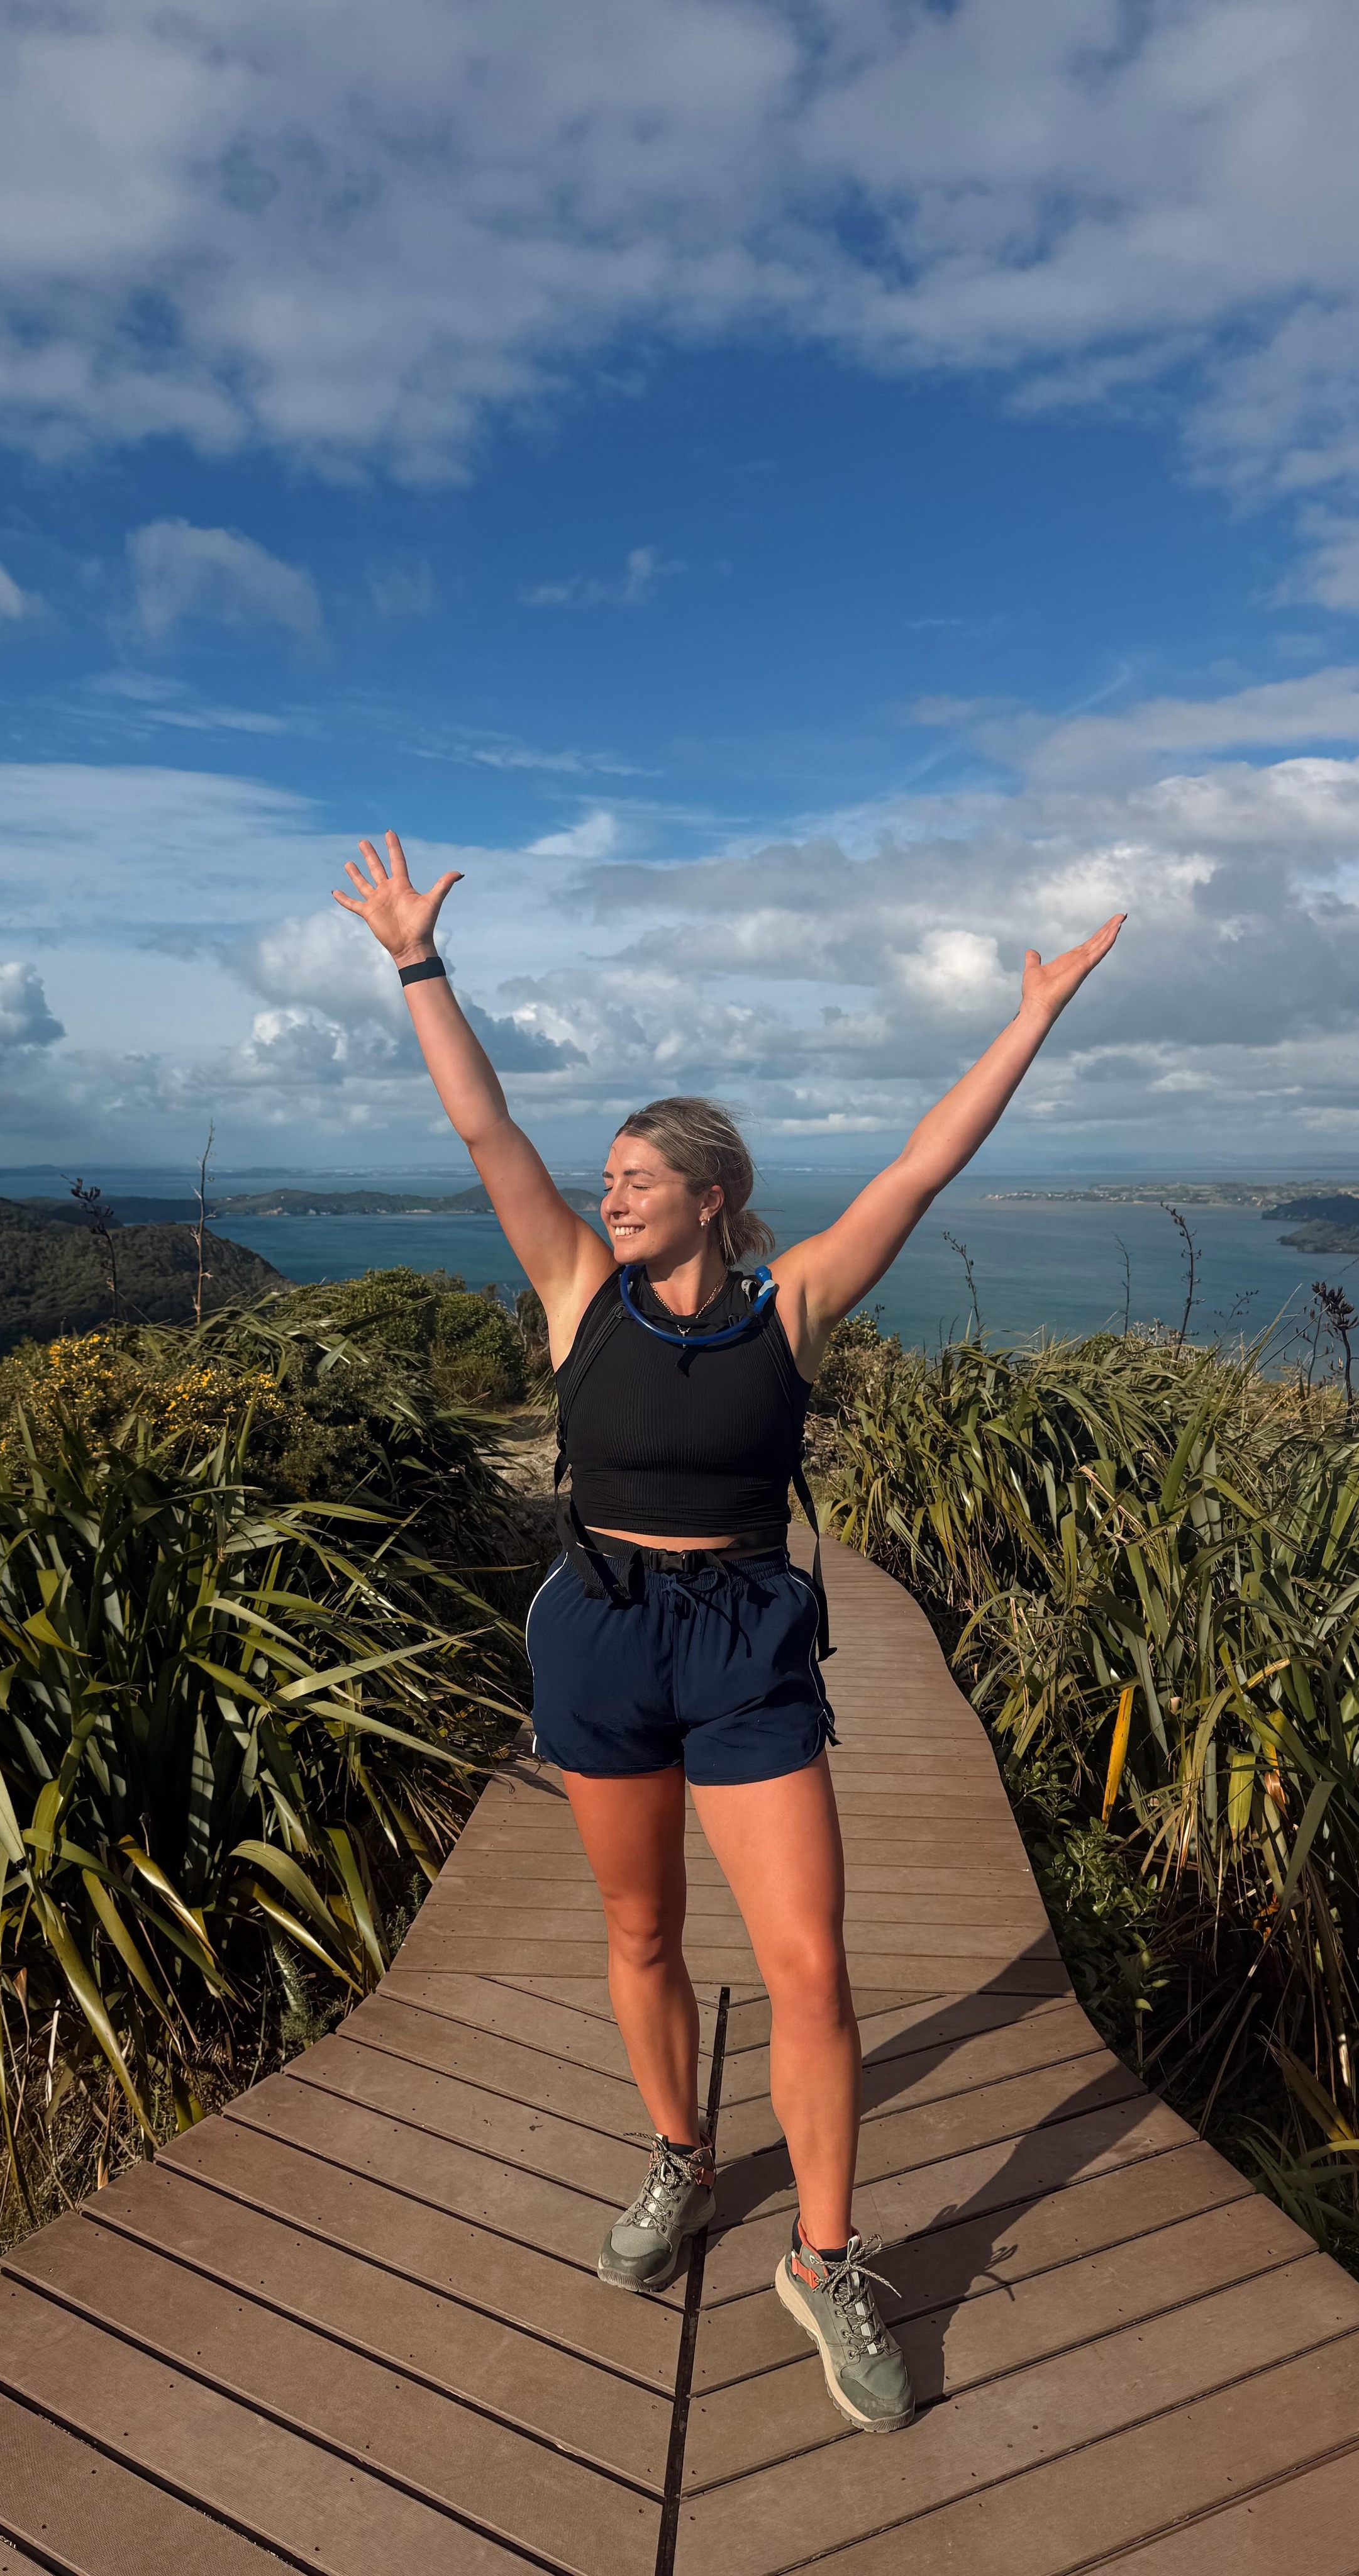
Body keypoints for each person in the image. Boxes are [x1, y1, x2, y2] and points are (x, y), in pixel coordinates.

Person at [335, 830, 1123, 2434]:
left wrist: (1030, 1019)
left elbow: (918, 1169)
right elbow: (485, 1125)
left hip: (749, 1637)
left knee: (809, 1959)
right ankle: (683, 2158)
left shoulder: (794, 1304)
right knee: (640, 1931)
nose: (608, 1192)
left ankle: (823, 2257)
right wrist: (417, 961)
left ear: (715, 1196)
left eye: (638, 1176)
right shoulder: (575, 1285)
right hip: (603, 1629)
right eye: (607, 1176)